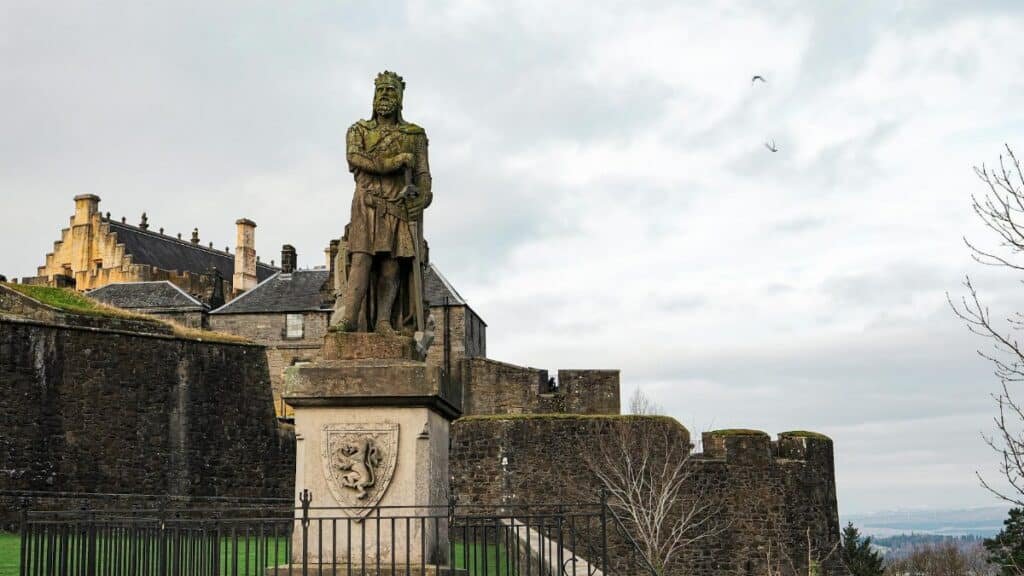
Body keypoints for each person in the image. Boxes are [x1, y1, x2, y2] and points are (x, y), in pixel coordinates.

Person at [336, 71, 432, 334]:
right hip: (367, 204)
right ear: (373, 96)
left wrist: (422, 198)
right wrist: (394, 162)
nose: (385, 96)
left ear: (400, 98)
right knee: (361, 259)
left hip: (398, 206)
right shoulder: (358, 131)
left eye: (391, 91)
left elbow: (423, 174)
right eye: (381, 91)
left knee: (391, 265)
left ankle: (383, 321)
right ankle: (349, 319)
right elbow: (355, 158)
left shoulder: (414, 135)